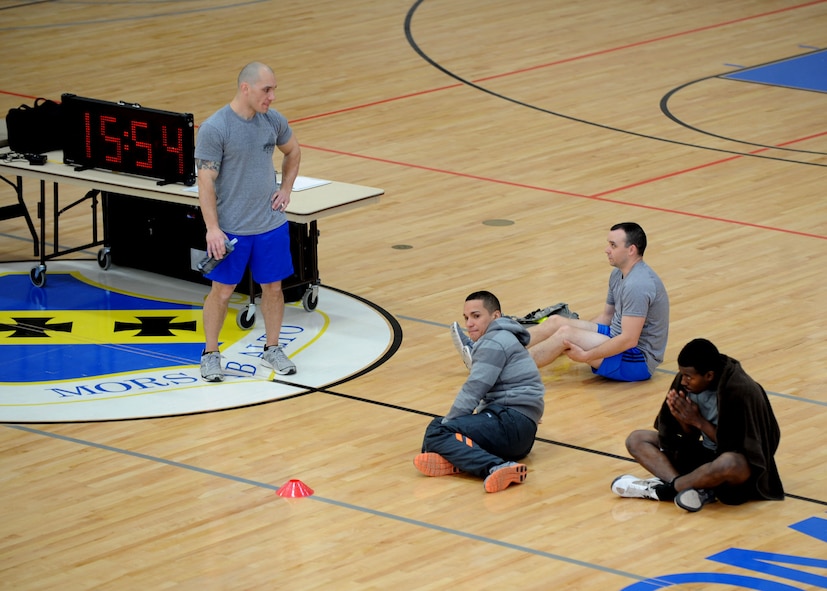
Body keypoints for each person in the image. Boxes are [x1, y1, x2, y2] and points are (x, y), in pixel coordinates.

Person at [194, 62, 301, 381]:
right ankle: (210, 353)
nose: (271, 97)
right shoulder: (216, 128)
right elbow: (205, 182)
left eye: (273, 90)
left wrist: (285, 189)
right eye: (266, 90)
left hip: (270, 226)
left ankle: (272, 348)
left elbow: (293, 151)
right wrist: (213, 228)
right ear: (246, 88)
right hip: (232, 231)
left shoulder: (273, 120)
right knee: (222, 292)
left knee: (273, 288)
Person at [612, 338, 784, 512]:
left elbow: (739, 447)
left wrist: (698, 421)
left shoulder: (742, 391)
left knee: (728, 462)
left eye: (688, 377)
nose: (683, 380)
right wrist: (683, 421)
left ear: (709, 375)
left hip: (738, 468)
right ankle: (691, 488)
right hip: (705, 455)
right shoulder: (687, 384)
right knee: (637, 439)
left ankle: (668, 490)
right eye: (682, 374)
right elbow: (684, 439)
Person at [414, 291, 545, 493]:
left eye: (476, 316)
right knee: (439, 427)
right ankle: (459, 462)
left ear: (495, 316)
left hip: (510, 424)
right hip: (521, 433)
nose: (469, 323)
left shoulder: (494, 341)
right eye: (466, 318)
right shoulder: (505, 337)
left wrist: (449, 424)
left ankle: (495, 466)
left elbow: (473, 389)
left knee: (438, 431)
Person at [522, 222, 669, 382]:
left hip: (637, 360)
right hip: (615, 337)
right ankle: (501, 352)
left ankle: (508, 371)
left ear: (631, 250)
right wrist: (581, 336)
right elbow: (607, 317)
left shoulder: (638, 284)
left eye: (613, 245)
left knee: (565, 335)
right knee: (555, 322)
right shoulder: (617, 275)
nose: (607, 250)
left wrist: (586, 355)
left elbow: (629, 339)